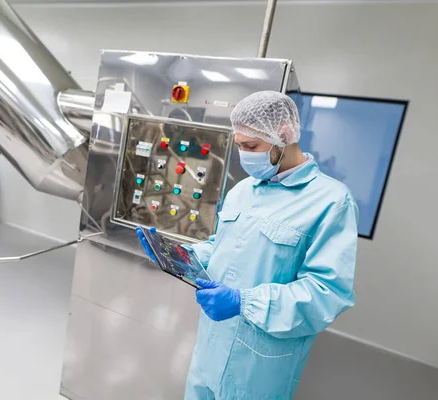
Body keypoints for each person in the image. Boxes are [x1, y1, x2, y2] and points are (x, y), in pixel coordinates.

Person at [137, 91, 358, 399]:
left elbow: (327, 294)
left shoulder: (331, 202)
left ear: (284, 135)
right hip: (210, 350)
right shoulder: (244, 190)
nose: (244, 155)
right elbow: (222, 246)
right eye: (240, 146)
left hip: (259, 364)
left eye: (252, 146)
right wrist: (182, 256)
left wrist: (245, 302)